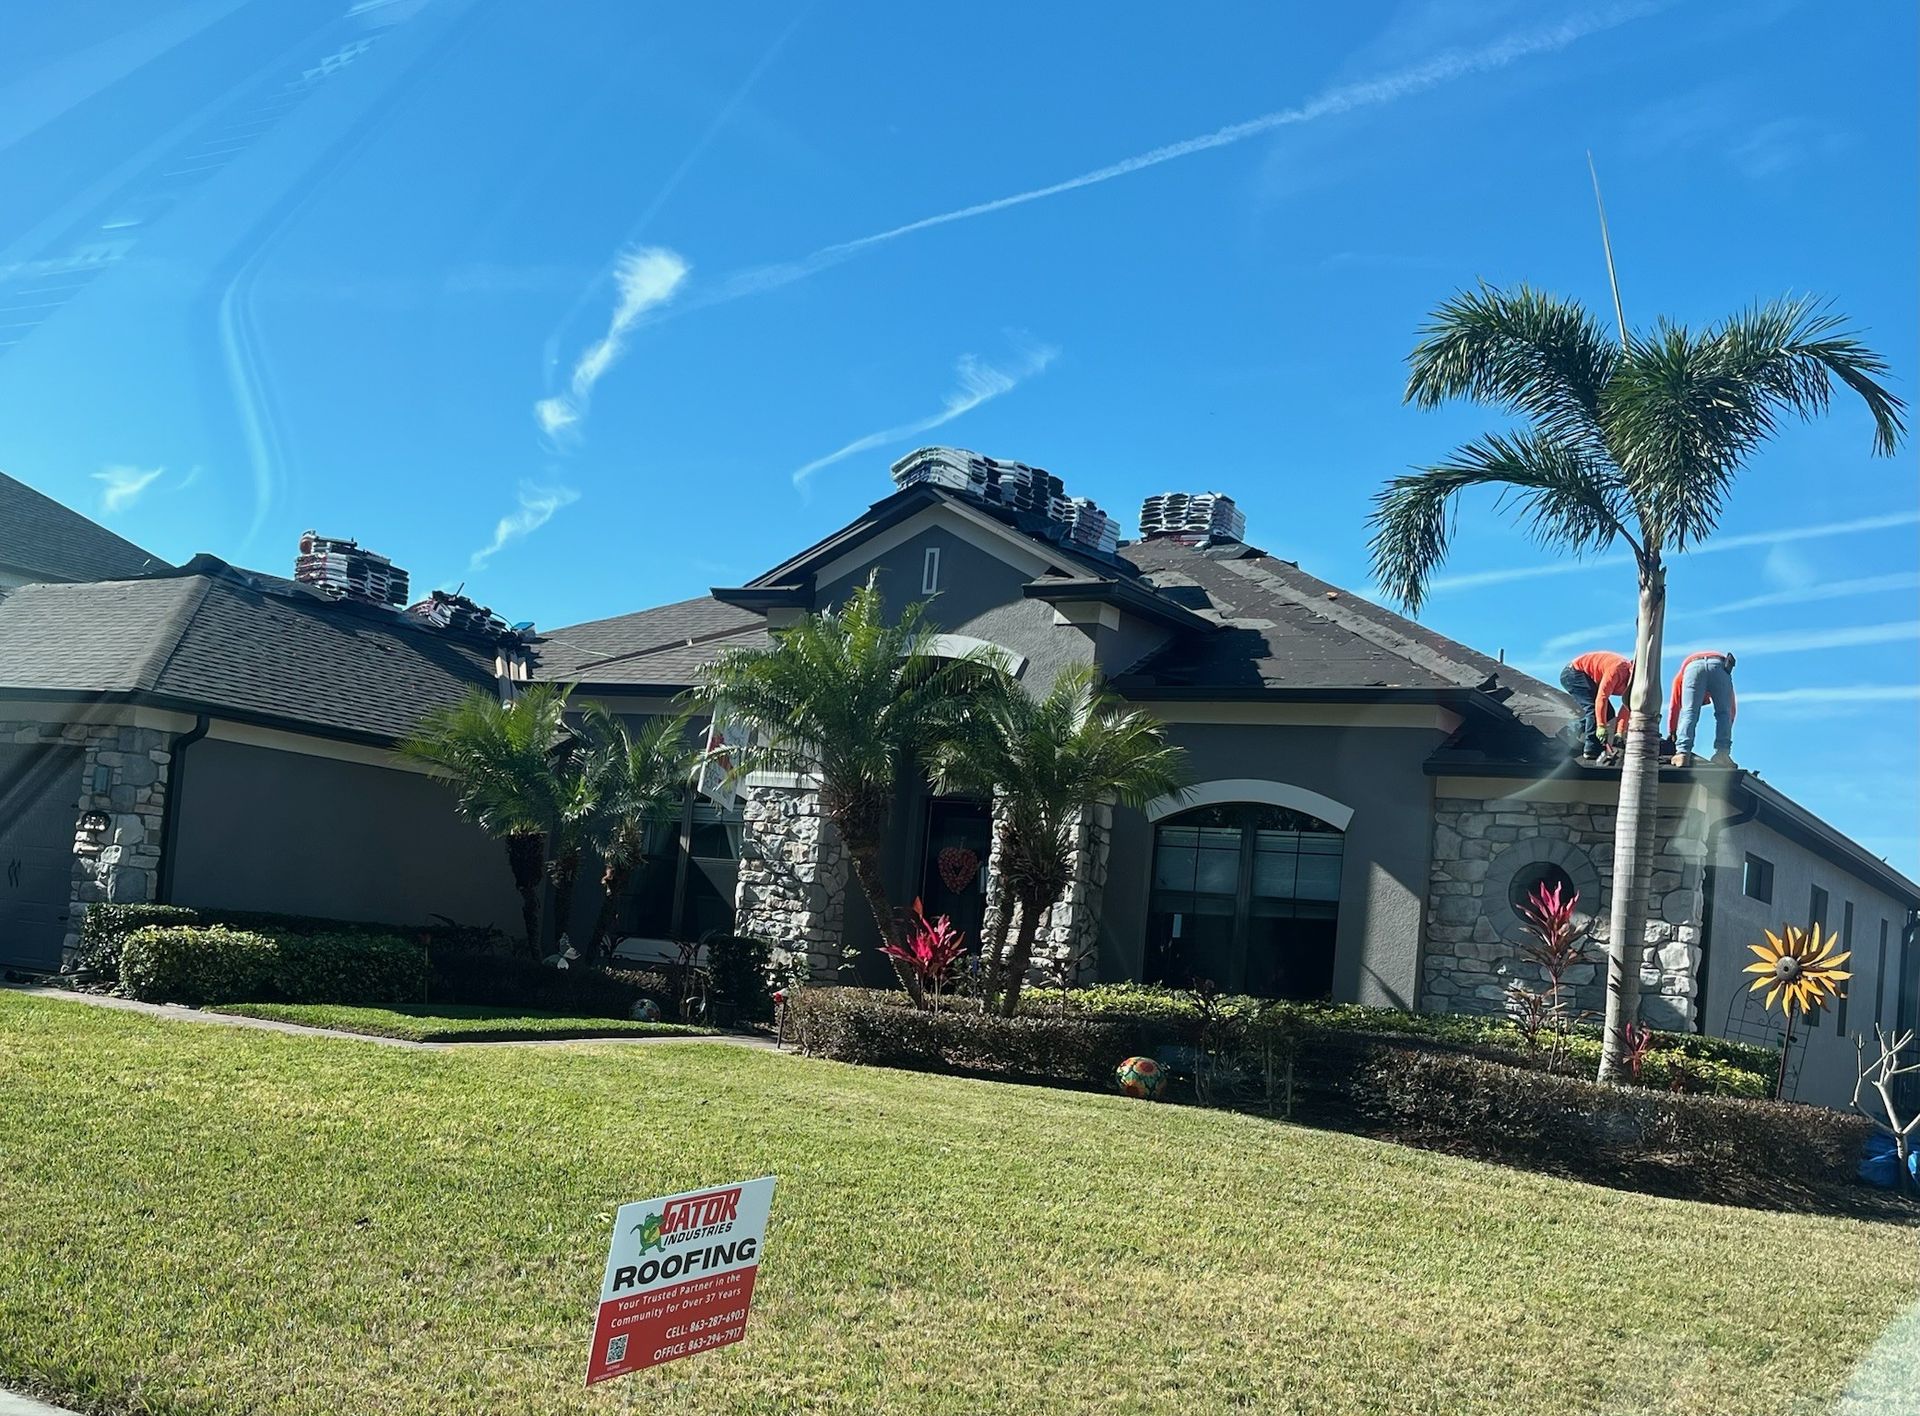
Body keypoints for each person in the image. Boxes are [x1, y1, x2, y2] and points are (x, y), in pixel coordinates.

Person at [1667, 650, 1737, 768]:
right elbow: (1730, 711)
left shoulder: (1680, 678)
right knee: (1723, 714)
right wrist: (1728, 727)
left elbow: (1675, 706)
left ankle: (1682, 754)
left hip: (1692, 667)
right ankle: (1722, 756)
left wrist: (1672, 730)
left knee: (1689, 711)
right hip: (1719, 665)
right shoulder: (1680, 678)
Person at [1559, 650, 1632, 762]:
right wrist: (1601, 726)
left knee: (1608, 713)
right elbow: (1602, 698)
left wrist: (1619, 733)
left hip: (1588, 678)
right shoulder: (1617, 669)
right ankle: (1591, 749)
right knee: (1593, 709)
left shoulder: (1636, 686)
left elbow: (1626, 707)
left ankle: (1569, 730)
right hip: (1573, 673)